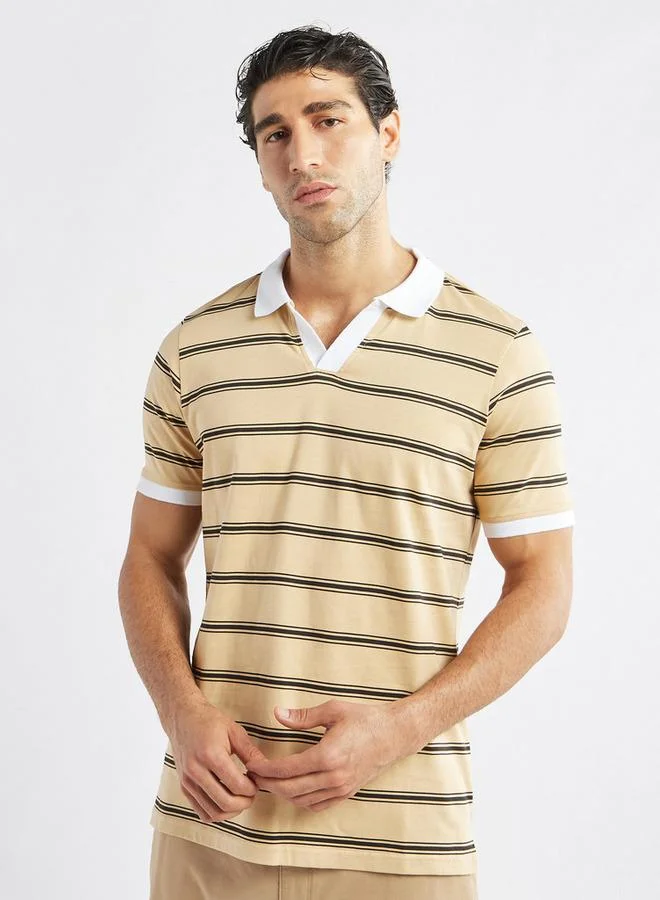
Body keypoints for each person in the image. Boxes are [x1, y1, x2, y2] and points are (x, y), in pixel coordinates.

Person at [118, 23, 574, 900]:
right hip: (211, 828)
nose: (303, 154)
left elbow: (544, 586)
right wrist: (180, 711)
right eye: (275, 133)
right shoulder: (194, 350)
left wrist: (402, 729)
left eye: (329, 120)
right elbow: (149, 556)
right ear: (259, 162)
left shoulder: (497, 352)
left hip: (403, 841)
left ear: (388, 132)